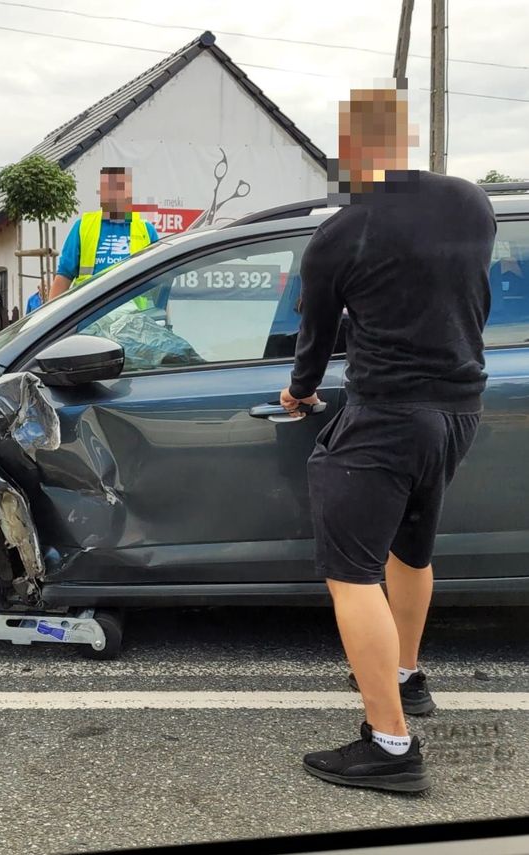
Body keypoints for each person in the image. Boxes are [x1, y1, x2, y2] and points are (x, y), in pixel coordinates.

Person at [281, 84, 495, 793]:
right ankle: (407, 674)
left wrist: (301, 393)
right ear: (402, 139)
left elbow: (313, 345)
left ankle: (392, 745)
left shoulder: (341, 233)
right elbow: (451, 294)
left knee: (352, 573)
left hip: (388, 418)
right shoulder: (472, 202)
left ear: (350, 151)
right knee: (411, 549)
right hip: (458, 409)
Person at [49, 166, 160, 299]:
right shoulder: (83, 226)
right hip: (90, 312)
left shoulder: (146, 231)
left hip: (135, 315)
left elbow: (159, 279)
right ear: (101, 194)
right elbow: (64, 276)